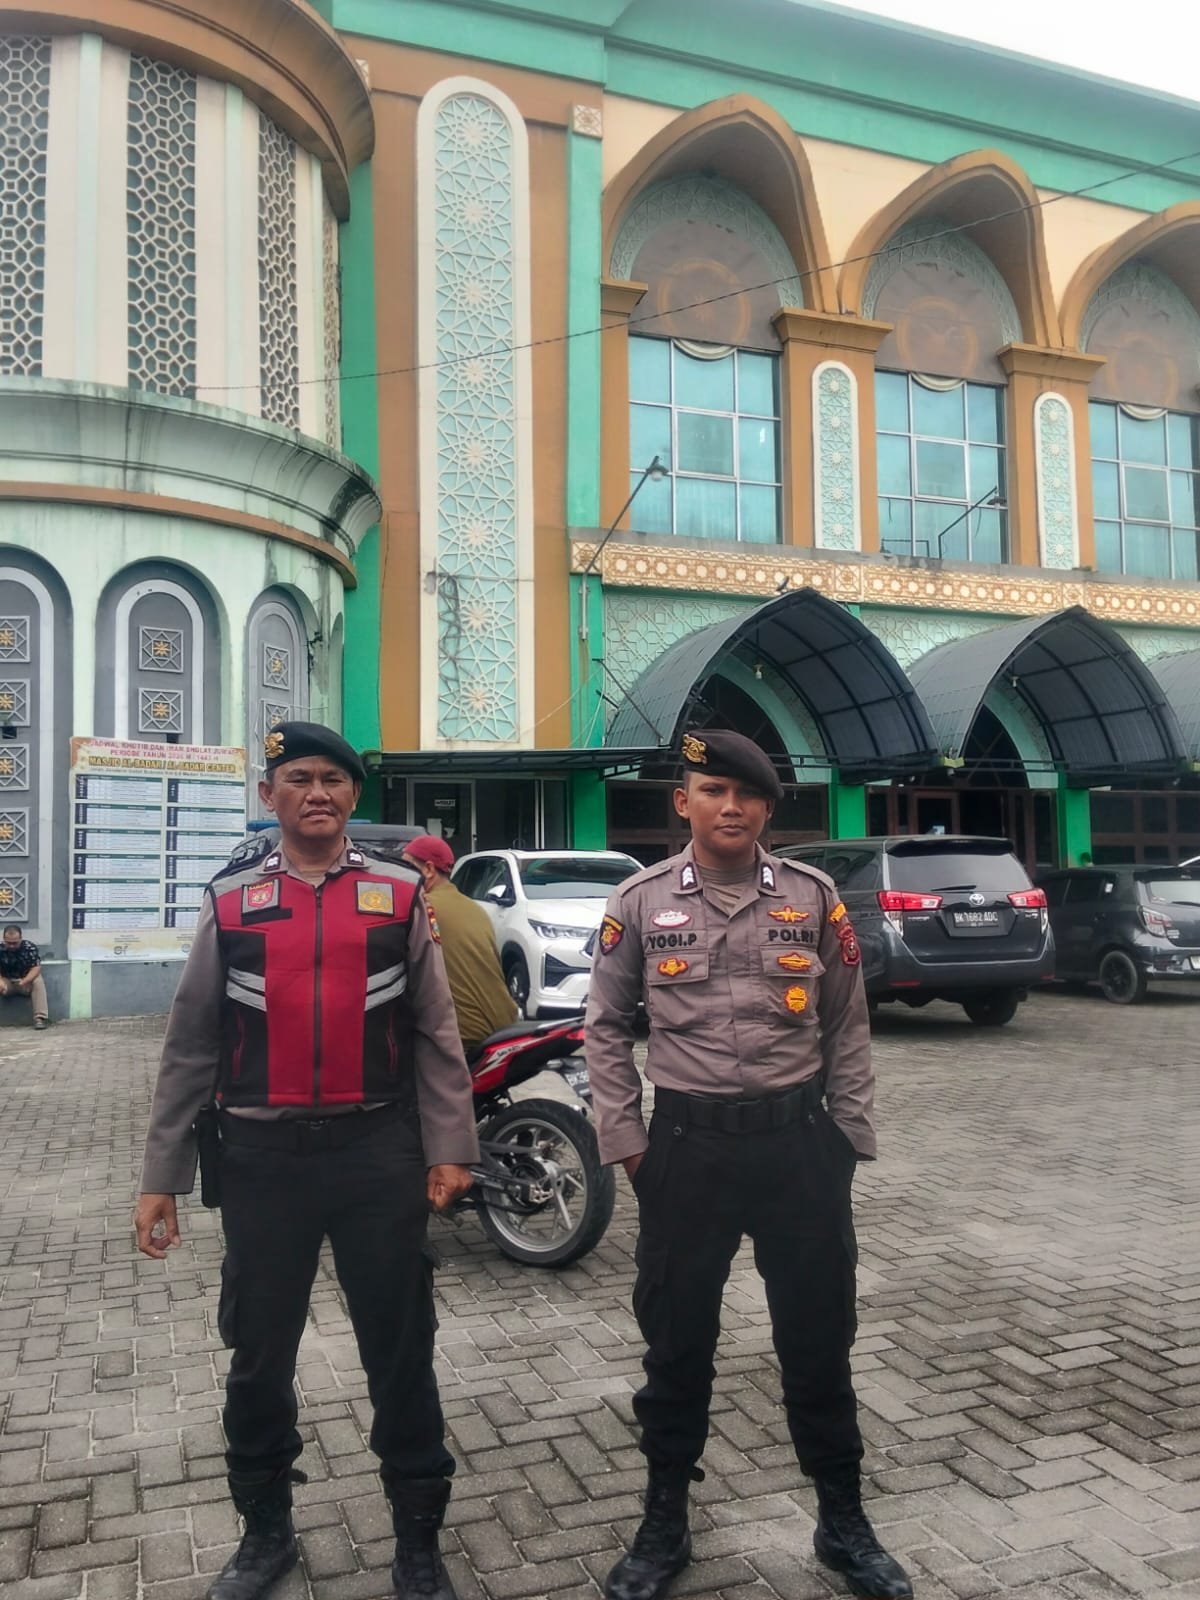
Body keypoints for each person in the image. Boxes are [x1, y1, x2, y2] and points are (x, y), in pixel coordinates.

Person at [134, 723, 479, 1600]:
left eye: (332, 778)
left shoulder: (398, 895)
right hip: (261, 1161)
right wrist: (161, 1176)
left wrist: (450, 1147)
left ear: (353, 795)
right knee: (258, 1354)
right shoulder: (232, 902)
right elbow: (191, 1043)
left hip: (377, 1155)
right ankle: (265, 1533)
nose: (316, 793)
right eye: (298, 779)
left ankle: (418, 1541)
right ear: (270, 796)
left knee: (400, 1349)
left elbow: (435, 1033)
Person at [586, 729, 911, 1600]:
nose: (731, 807)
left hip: (798, 1147)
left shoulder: (811, 896)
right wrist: (628, 1146)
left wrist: (847, 1139)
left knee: (819, 1337)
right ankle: (664, 1522)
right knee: (676, 1341)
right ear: (683, 802)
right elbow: (605, 1028)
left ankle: (842, 1519)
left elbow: (846, 1023)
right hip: (685, 1151)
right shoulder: (640, 901)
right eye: (713, 791)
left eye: (748, 795)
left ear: (768, 808)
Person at [400, 835, 518, 1051]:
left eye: (406, 867)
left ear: (428, 870)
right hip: (503, 1028)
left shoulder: (421, 907)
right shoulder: (475, 908)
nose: (401, 874)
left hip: (461, 1037)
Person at [0, 925, 48, 1028]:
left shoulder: (29, 948)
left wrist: (24, 981)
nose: (12, 946)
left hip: (25, 982)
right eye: (8, 943)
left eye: (15, 943)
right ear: (4, 939)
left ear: (21, 939)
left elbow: (36, 968)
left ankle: (40, 1018)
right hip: (6, 983)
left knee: (38, 980)